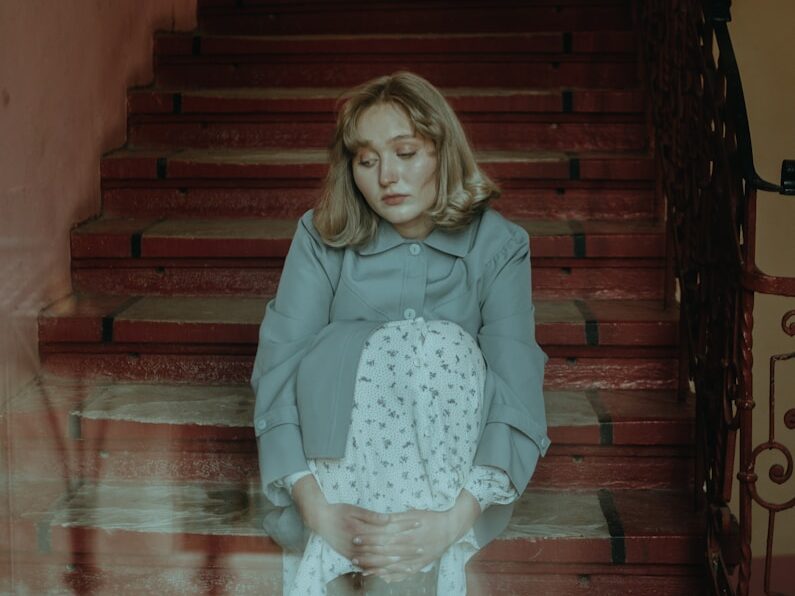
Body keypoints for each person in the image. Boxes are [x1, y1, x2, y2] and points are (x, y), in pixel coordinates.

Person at [250, 71, 550, 595]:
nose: (387, 175)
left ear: (442, 152)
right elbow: (279, 365)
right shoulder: (320, 238)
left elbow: (516, 383)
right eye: (367, 160)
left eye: (406, 153)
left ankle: (397, 571)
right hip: (334, 482)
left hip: (445, 490)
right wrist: (315, 507)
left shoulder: (500, 245)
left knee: (440, 346)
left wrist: (451, 522)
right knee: (367, 347)